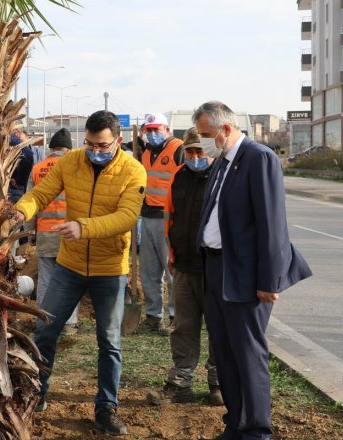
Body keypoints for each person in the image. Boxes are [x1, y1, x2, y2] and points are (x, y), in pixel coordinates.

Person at [14, 110, 146, 436]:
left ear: (117, 141)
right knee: (45, 331)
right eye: (89, 143)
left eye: (102, 146)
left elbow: (127, 217)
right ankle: (36, 395)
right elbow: (41, 193)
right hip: (69, 266)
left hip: (110, 270)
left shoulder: (133, 171)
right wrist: (20, 210)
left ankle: (106, 409)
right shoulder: (70, 161)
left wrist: (82, 227)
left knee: (109, 341)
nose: (95, 151)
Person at [193, 101, 312, 440]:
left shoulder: (258, 158)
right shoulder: (221, 163)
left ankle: (257, 430)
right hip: (216, 269)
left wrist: (269, 280)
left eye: (206, 135)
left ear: (226, 130)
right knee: (225, 352)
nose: (202, 142)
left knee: (248, 354)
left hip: (246, 277)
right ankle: (237, 423)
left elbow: (272, 225)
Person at [147, 128, 223, 406]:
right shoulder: (177, 177)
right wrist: (171, 253)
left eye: (199, 151)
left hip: (215, 268)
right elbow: (170, 218)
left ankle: (218, 385)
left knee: (218, 327)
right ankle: (180, 385)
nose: (193, 157)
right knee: (183, 327)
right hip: (183, 266)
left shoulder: (223, 177)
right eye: (189, 152)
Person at [26, 128, 79, 335]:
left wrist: (31, 232)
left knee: (46, 280)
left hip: (46, 233)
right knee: (71, 279)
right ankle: (69, 323)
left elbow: (30, 201)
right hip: (70, 234)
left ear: (52, 148)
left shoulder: (37, 168)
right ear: (68, 149)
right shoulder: (74, 167)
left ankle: (45, 320)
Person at [138, 112, 185, 333]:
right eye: (149, 130)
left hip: (168, 218)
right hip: (147, 215)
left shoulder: (178, 149)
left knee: (171, 270)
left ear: (166, 130)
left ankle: (177, 317)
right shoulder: (146, 151)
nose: (153, 133)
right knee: (148, 271)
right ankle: (153, 317)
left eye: (157, 129)